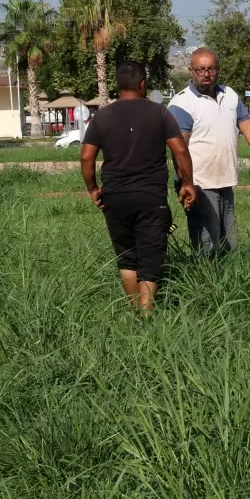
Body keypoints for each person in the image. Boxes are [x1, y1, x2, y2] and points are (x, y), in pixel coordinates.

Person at [81, 61, 195, 315]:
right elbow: (179, 149)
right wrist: (187, 183)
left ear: (118, 85)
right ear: (143, 85)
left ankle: (136, 312)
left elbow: (87, 157)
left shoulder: (102, 116)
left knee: (127, 257)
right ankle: (146, 316)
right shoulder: (159, 113)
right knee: (151, 257)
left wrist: (92, 189)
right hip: (151, 197)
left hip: (115, 197)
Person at [166, 47, 250, 255]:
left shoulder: (229, 95)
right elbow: (178, 148)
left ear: (218, 70)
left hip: (224, 179)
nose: (206, 74)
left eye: (211, 69)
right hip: (198, 183)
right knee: (207, 244)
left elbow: (245, 124)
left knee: (228, 241)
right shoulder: (182, 103)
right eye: (200, 69)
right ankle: (205, 282)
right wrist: (186, 182)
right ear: (191, 71)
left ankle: (227, 280)